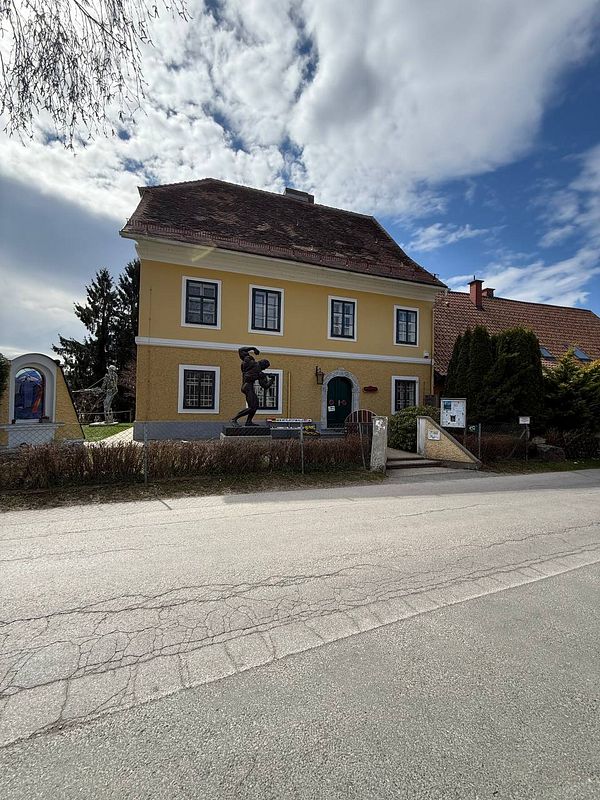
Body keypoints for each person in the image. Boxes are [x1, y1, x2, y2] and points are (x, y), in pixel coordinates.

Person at [230, 346, 274, 427]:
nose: (264, 369)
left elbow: (241, 350)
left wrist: (253, 349)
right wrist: (272, 380)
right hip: (248, 387)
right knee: (252, 407)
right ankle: (234, 419)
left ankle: (249, 422)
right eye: (265, 368)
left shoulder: (249, 361)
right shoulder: (258, 371)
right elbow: (265, 386)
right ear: (263, 365)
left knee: (255, 405)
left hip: (246, 386)